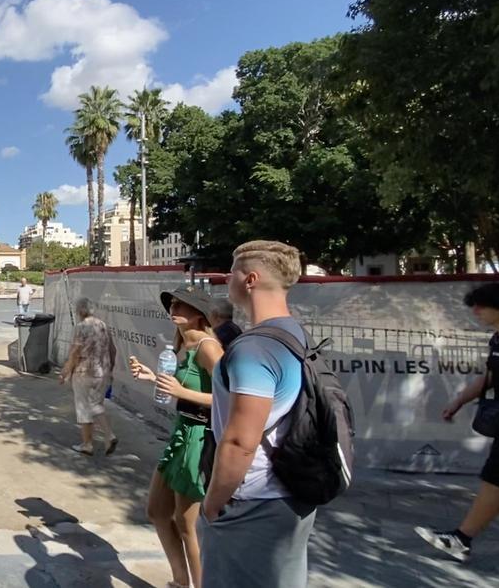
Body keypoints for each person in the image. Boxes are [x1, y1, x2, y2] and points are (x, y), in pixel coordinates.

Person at [200, 240, 313, 588]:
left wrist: (212, 504)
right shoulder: (294, 334)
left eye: (231, 272)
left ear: (249, 279)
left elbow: (239, 441)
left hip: (250, 501)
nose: (226, 279)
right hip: (291, 496)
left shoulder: (254, 348)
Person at [416, 283, 499, 562]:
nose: (475, 311)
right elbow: (488, 378)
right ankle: (461, 539)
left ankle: (460, 539)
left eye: (482, 305)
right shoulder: (498, 340)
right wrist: (459, 401)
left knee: (494, 480)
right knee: (496, 480)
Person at [129, 287, 223, 588]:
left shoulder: (209, 347)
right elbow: (176, 388)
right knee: (156, 511)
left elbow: (232, 397)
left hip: (199, 437)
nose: (174, 307)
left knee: (186, 524)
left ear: (199, 314)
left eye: (182, 304)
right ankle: (181, 582)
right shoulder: (181, 344)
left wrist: (182, 393)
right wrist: (150, 376)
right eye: (172, 303)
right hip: (181, 432)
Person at [58, 297, 118, 456]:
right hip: (102, 372)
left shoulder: (81, 327)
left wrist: (65, 372)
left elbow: (75, 353)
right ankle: (103, 437)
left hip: (84, 372)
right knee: (96, 404)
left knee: (85, 407)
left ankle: (89, 443)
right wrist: (109, 368)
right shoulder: (102, 325)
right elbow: (113, 350)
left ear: (79, 311)